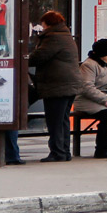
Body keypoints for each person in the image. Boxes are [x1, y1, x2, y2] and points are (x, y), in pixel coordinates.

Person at [27, 10, 82, 162]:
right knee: (63, 120)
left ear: (49, 23)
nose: (42, 27)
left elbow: (39, 57)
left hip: (57, 86)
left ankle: (57, 152)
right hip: (68, 85)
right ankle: (64, 152)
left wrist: (25, 58)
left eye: (43, 24)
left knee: (55, 121)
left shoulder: (53, 38)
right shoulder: (66, 36)